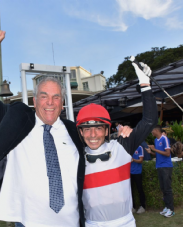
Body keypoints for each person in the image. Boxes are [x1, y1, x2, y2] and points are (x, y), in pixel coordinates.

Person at [0, 29, 86, 227]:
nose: (50, 102)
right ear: (34, 100)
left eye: (56, 97)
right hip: (29, 222)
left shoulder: (74, 131)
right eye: (44, 96)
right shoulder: (17, 122)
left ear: (63, 103)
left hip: (72, 222)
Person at [76, 61, 157, 226]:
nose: (92, 135)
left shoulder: (122, 146)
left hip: (125, 222)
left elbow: (149, 121)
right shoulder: (74, 157)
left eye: (98, 128)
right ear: (81, 132)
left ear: (107, 131)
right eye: (87, 129)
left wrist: (145, 85)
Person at [146, 125, 175, 217]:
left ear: (156, 130)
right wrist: (151, 152)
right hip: (159, 166)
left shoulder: (164, 139)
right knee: (163, 188)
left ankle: (171, 209)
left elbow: (167, 153)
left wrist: (155, 149)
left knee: (167, 188)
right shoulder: (155, 140)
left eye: (152, 131)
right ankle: (167, 207)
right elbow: (158, 154)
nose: (151, 133)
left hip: (166, 166)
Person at [131, 146, 146, 214]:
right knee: (130, 190)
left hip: (137, 172)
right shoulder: (129, 147)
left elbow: (141, 160)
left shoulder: (139, 147)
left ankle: (143, 206)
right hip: (129, 172)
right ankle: (133, 207)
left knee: (140, 189)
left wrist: (133, 160)